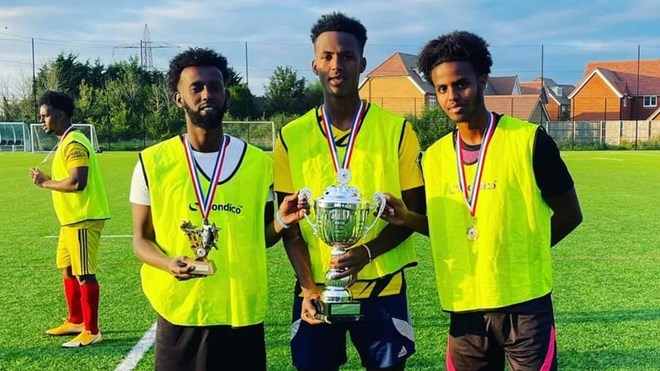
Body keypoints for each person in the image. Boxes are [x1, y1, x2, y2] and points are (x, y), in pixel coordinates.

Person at [382, 31, 583, 371]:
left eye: (461, 84)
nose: (451, 96)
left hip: (525, 306)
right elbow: (447, 229)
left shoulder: (529, 141)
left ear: (483, 80)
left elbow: (570, 214)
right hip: (465, 308)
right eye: (442, 89)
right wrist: (407, 218)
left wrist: (525, 251)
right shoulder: (432, 158)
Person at [130, 47, 306, 371]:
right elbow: (140, 239)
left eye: (215, 86)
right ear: (178, 98)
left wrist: (281, 220)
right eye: (196, 87)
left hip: (240, 312)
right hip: (180, 312)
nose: (207, 94)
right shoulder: (152, 162)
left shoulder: (257, 163)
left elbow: (262, 237)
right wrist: (168, 263)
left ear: (226, 95)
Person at [274, 12, 426, 371]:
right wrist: (308, 287)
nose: (336, 64)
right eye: (327, 56)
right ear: (315, 64)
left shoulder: (397, 130)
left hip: (382, 288)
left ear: (362, 63)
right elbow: (289, 224)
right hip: (314, 290)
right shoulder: (290, 137)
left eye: (346, 56)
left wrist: (367, 252)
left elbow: (413, 216)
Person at [30, 91, 110, 348]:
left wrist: (46, 183)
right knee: (66, 269)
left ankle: (92, 330)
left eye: (45, 115)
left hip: (83, 217)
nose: (42, 120)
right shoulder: (66, 141)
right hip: (70, 221)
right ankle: (76, 320)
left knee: (84, 273)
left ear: (60, 114)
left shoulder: (74, 142)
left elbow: (78, 181)